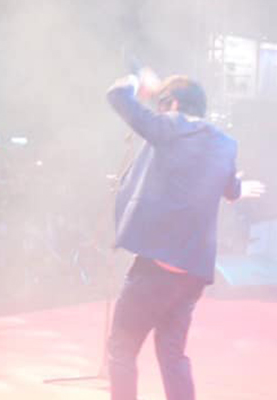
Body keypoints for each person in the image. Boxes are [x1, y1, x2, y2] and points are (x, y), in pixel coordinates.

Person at [106, 72, 264, 400]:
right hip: (193, 272)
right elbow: (230, 188)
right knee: (172, 354)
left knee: (122, 348)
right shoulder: (224, 143)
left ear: (174, 104)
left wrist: (137, 81)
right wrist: (238, 190)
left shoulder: (171, 126)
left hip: (157, 268)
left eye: (162, 105)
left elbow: (118, 95)